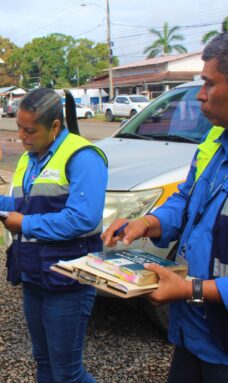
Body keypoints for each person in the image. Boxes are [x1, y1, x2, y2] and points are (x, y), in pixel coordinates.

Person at [102, 32, 228, 383]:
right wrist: (146, 223)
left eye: (208, 84)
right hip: (195, 333)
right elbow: (187, 200)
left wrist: (191, 290)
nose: (200, 95)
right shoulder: (215, 142)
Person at [0, 88, 108, 383]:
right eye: (18, 127)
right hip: (34, 275)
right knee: (43, 362)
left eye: (29, 130)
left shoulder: (83, 157)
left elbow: (83, 218)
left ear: (55, 126)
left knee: (68, 373)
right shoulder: (30, 158)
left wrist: (27, 225)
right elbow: (20, 206)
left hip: (68, 280)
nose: (22, 136)